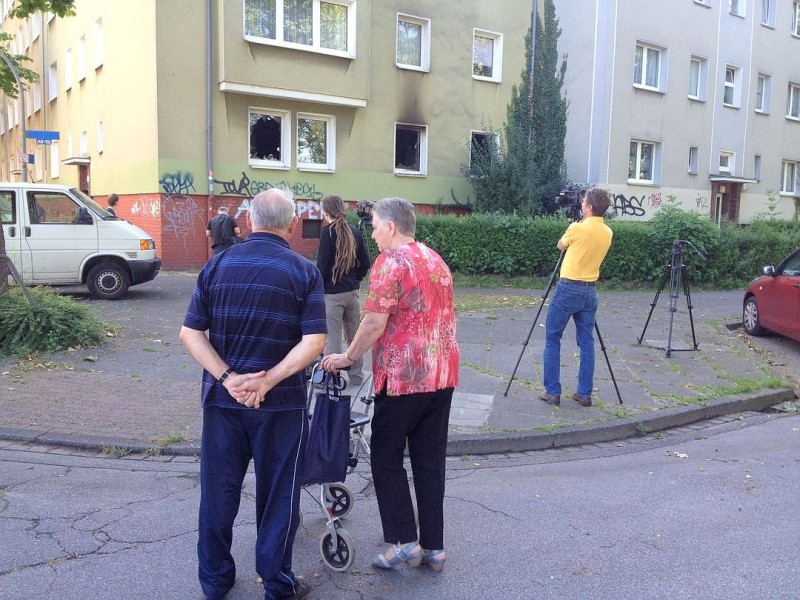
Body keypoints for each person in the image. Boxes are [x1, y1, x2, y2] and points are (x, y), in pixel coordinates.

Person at [179, 188, 326, 600]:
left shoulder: (217, 264)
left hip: (223, 405)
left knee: (218, 494)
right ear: (292, 224)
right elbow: (315, 340)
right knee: (279, 495)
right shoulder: (303, 271)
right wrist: (268, 381)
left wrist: (228, 378)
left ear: (247, 221)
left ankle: (215, 581)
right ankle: (277, 584)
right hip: (282, 406)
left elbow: (190, 333)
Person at [321, 197, 459, 573]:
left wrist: (347, 357)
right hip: (442, 375)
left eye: (376, 226)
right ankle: (435, 548)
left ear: (391, 227)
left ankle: (403, 543)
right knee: (429, 462)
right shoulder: (434, 259)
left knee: (385, 457)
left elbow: (372, 323)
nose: (374, 234)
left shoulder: (391, 262)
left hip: (404, 379)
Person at [539, 187, 613, 408]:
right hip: (590, 291)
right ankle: (584, 393)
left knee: (553, 337)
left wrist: (575, 225)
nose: (581, 205)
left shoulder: (576, 228)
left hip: (568, 287)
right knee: (586, 343)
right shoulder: (608, 232)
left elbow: (560, 245)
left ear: (589, 207)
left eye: (584, 202)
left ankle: (552, 391)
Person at [316, 195, 371, 387]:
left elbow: (322, 267)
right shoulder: (354, 231)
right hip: (352, 293)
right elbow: (366, 262)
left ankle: (333, 378)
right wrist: (356, 278)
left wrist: (318, 290)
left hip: (332, 295)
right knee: (354, 336)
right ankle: (357, 377)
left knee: (333, 337)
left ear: (326, 211)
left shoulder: (327, 233)